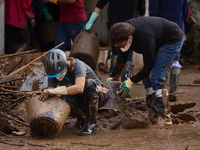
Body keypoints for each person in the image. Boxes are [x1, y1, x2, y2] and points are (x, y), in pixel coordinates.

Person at [107, 17, 184, 128]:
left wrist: (131, 81)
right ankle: (153, 115)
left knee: (156, 75)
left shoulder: (145, 39)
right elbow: (123, 56)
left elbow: (149, 65)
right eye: (117, 45)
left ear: (130, 38)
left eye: (121, 44)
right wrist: (114, 76)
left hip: (172, 39)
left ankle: (165, 118)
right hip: (157, 39)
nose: (120, 47)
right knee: (147, 77)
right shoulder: (124, 31)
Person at [40, 49, 110, 136]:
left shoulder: (78, 65)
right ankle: (82, 118)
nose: (57, 77)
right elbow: (51, 92)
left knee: (88, 84)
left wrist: (55, 90)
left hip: (99, 95)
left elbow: (79, 88)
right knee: (60, 100)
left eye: (59, 73)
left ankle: (91, 123)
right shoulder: (52, 72)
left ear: (65, 64)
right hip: (80, 98)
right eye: (55, 75)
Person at [85, 0, 146, 82]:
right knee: (128, 56)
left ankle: (113, 85)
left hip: (115, 26)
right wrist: (142, 25)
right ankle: (125, 88)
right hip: (130, 27)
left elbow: (101, 3)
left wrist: (91, 20)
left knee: (116, 53)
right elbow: (141, 8)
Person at [149, 0, 189, 102]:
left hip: (161, 30)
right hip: (178, 29)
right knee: (175, 60)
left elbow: (153, 12)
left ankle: (163, 92)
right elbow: (186, 13)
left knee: (161, 60)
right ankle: (173, 92)